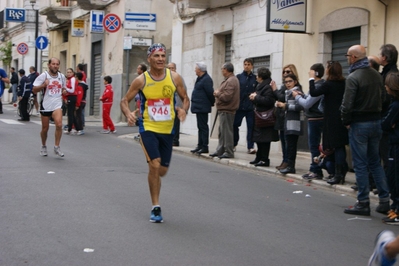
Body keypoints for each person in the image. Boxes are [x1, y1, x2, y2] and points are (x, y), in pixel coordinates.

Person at [120, 43, 189, 223]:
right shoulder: (141, 80)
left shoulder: (174, 78)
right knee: (155, 165)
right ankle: (155, 207)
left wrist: (183, 110)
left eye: (162, 56)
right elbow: (124, 101)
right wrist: (128, 114)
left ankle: (155, 182)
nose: (160, 59)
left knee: (163, 171)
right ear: (149, 58)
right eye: (156, 56)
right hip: (148, 127)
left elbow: (185, 98)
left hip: (168, 129)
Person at [341, 44, 390, 216]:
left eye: (348, 55)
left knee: (360, 164)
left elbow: (347, 105)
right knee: (375, 162)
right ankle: (384, 200)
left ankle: (363, 202)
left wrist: (346, 121)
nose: (347, 58)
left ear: (354, 58)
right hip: (376, 122)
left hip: (359, 124)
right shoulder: (377, 75)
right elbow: (384, 98)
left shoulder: (354, 77)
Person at [309, 61, 348, 185]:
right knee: (340, 146)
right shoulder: (344, 83)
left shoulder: (329, 84)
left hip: (331, 119)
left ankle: (337, 174)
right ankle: (340, 173)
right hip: (341, 117)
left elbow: (313, 92)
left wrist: (311, 79)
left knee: (335, 146)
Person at [293, 63, 325, 180]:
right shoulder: (317, 85)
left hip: (316, 119)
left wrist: (297, 97)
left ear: (315, 73)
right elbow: (308, 98)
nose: (308, 74)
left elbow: (307, 103)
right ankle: (314, 168)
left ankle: (315, 170)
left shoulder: (318, 85)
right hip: (315, 118)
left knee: (314, 145)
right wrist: (302, 95)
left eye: (310, 72)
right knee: (314, 145)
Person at [32, 57, 67, 157]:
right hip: (46, 105)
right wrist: (43, 85)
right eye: (53, 64)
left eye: (57, 64)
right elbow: (34, 90)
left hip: (57, 104)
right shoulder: (44, 76)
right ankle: (43, 146)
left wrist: (64, 91)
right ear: (49, 65)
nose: (55, 66)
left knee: (59, 124)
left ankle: (57, 146)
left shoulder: (61, 76)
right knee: (45, 129)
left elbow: (63, 87)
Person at [271, 64, 300, 170]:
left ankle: (288, 163)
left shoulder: (296, 88)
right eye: (284, 72)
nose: (285, 74)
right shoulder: (284, 87)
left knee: (289, 143)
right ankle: (285, 160)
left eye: (288, 72)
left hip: (290, 119)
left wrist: (275, 91)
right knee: (283, 140)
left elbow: (282, 98)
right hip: (282, 117)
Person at [249, 67, 279, 166]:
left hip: (265, 117)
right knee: (258, 139)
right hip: (259, 116)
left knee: (264, 140)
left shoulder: (268, 86)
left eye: (257, 75)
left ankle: (264, 159)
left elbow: (268, 100)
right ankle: (259, 157)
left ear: (261, 77)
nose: (256, 77)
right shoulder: (261, 86)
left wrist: (256, 97)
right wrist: (254, 97)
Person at [209, 62, 240, 159]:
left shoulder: (231, 81)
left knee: (227, 132)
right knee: (222, 132)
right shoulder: (229, 80)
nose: (221, 71)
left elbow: (227, 97)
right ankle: (220, 150)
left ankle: (229, 151)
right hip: (224, 109)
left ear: (226, 70)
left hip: (227, 110)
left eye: (222, 69)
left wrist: (217, 93)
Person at [276, 73, 304, 174]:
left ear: (295, 82)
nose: (288, 84)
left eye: (290, 81)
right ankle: (289, 165)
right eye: (286, 82)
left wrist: (285, 106)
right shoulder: (288, 92)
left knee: (291, 146)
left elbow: (300, 106)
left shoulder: (297, 92)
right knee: (288, 145)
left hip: (294, 123)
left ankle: (291, 166)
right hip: (288, 122)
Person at [381, 72, 399, 224]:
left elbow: (385, 124)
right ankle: (395, 207)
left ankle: (397, 209)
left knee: (394, 177)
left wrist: (390, 125)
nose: (385, 87)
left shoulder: (395, 105)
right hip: (394, 142)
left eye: (387, 84)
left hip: (396, 144)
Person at [234, 58, 258, 154]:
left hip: (250, 107)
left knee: (251, 127)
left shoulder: (255, 78)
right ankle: (234, 143)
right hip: (239, 106)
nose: (246, 66)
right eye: (245, 64)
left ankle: (250, 146)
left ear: (252, 66)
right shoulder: (239, 77)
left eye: (248, 64)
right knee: (235, 125)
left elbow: (257, 90)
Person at [190, 62, 214, 154]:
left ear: (199, 70)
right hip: (198, 107)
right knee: (200, 126)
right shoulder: (200, 78)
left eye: (196, 68)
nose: (195, 70)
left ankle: (205, 146)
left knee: (203, 127)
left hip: (203, 107)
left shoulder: (206, 79)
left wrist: (211, 103)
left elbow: (210, 93)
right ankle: (200, 145)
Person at [167, 62, 187, 147]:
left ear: (175, 69)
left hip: (176, 105)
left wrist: (179, 106)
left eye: (172, 68)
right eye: (169, 68)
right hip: (168, 105)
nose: (171, 70)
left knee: (175, 123)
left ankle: (175, 140)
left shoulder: (178, 78)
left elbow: (182, 94)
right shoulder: (166, 78)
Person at [133, 63, 147, 140]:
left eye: (138, 68)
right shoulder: (139, 78)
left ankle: (142, 133)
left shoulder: (143, 78)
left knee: (142, 116)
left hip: (142, 101)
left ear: (142, 70)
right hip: (139, 100)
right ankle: (141, 133)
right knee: (140, 116)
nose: (137, 69)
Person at [64, 68, 78, 134]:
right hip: (70, 96)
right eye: (67, 72)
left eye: (70, 72)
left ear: (73, 73)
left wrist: (65, 88)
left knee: (70, 113)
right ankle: (77, 128)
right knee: (71, 113)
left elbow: (72, 90)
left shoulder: (72, 79)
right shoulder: (69, 80)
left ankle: (70, 129)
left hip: (72, 97)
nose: (68, 73)